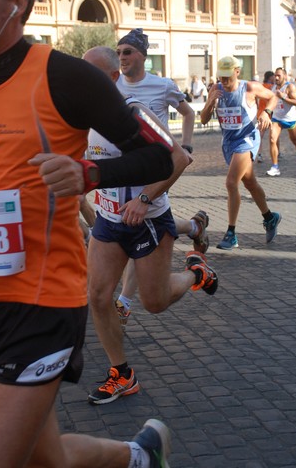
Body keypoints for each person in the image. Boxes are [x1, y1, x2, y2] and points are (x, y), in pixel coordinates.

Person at [0, 0, 178, 468]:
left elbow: (162, 155)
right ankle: (139, 458)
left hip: (42, 303)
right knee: (45, 460)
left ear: (16, 3)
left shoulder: (66, 77)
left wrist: (89, 171)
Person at [82, 46, 218, 405]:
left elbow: (180, 158)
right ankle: (122, 374)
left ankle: (196, 273)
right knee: (97, 296)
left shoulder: (134, 114)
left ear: (111, 79)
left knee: (154, 302)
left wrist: (143, 200)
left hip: (149, 221)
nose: (80, 82)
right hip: (110, 223)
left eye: (89, 75)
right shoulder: (81, 118)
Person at [114, 30, 208, 321]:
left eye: (127, 52)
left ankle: (124, 301)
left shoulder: (162, 85)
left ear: (142, 55)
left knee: (137, 225)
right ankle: (194, 226)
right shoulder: (112, 85)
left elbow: (189, 113)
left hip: (155, 171)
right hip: (123, 172)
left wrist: (187, 147)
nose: (122, 58)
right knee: (146, 223)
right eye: (118, 53)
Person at [200, 56, 281, 250]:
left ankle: (231, 234)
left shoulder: (249, 88)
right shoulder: (216, 89)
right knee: (250, 182)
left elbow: (273, 97)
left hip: (247, 140)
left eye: (227, 77)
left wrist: (266, 112)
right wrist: (211, 101)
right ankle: (270, 218)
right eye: (221, 77)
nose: (224, 82)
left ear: (237, 72)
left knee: (231, 182)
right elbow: (203, 120)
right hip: (228, 142)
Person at [267, 67, 296, 177]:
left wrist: (284, 97)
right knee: (272, 139)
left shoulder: (290, 87)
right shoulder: (273, 88)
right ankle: (275, 167)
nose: (276, 77)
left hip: (290, 119)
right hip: (277, 119)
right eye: (275, 75)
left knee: (295, 140)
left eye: (278, 75)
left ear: (284, 76)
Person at [256, 70, 275, 163]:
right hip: (268, 113)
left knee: (260, 136)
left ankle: (259, 154)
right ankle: (260, 154)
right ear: (270, 77)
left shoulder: (260, 86)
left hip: (261, 112)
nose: (275, 78)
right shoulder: (270, 87)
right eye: (273, 76)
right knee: (272, 135)